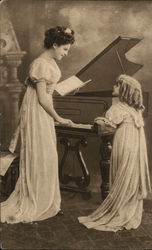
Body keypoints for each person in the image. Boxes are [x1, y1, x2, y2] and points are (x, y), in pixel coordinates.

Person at [1, 26, 75, 224]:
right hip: (37, 113)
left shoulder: (47, 62)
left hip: (39, 111)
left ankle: (46, 199)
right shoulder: (41, 63)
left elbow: (41, 91)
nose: (65, 54)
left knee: (46, 154)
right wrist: (58, 118)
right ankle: (36, 199)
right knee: (40, 153)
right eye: (64, 49)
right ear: (55, 44)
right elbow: (42, 99)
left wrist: (58, 90)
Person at [78, 74, 151, 232]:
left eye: (117, 86)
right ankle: (129, 208)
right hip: (137, 145)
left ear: (123, 89)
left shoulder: (117, 107)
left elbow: (106, 126)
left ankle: (119, 209)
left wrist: (99, 120)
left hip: (124, 142)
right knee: (131, 174)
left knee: (121, 172)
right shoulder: (134, 109)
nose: (113, 88)